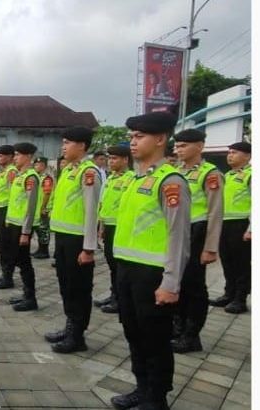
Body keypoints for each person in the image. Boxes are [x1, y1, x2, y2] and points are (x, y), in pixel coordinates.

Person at [110, 111, 190, 410]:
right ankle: (142, 388)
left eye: (139, 136)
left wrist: (171, 283)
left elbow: (179, 236)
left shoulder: (170, 181)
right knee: (133, 333)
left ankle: (157, 397)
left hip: (154, 274)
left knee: (155, 338)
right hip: (128, 270)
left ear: (160, 139)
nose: (132, 142)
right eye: (131, 136)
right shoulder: (134, 179)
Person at [44, 127, 101, 354]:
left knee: (78, 288)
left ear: (82, 146)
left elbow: (91, 211)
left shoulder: (89, 172)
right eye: (63, 142)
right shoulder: (69, 171)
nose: (63, 146)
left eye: (68, 142)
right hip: (63, 238)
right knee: (66, 285)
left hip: (79, 241)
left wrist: (88, 248)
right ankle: (69, 327)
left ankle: (77, 335)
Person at [169, 129, 224, 352]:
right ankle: (178, 327)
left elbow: (216, 212)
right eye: (177, 146)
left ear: (199, 146)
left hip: (197, 232)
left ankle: (192, 335)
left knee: (194, 286)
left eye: (184, 146)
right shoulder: (176, 172)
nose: (178, 149)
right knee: (178, 282)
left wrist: (210, 248)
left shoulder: (210, 173)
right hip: (178, 232)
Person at [210, 141, 252, 314]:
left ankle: (240, 299)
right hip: (224, 224)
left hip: (241, 224)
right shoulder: (228, 175)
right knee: (227, 261)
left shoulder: (251, 175)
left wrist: (251, 229)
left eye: (234, 152)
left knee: (241, 263)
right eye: (229, 152)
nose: (230, 155)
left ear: (248, 156)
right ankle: (229, 294)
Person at [94, 145, 135, 314]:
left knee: (120, 267)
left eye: (114, 158)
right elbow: (104, 204)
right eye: (109, 158)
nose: (111, 162)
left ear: (125, 160)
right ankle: (114, 294)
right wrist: (101, 226)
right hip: (109, 227)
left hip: (121, 228)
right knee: (112, 265)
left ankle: (120, 299)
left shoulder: (130, 178)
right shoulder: (110, 179)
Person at [3, 142, 41, 311]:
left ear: (28, 156)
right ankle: (26, 294)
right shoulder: (19, 176)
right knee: (18, 259)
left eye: (18, 155)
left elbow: (30, 207)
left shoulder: (30, 177)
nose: (15, 158)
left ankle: (30, 297)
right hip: (14, 224)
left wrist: (26, 232)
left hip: (22, 227)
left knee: (24, 262)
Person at [0, 145, 17, 287]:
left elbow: (13, 194)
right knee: (2, 244)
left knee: (6, 245)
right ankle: (4, 273)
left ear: (11, 156)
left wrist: (8, 216)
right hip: (0, 211)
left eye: (3, 155)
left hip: (6, 211)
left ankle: (8, 276)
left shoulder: (11, 172)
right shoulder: (3, 171)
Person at [31, 156, 54, 259]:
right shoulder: (38, 177)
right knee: (39, 229)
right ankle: (40, 249)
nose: (36, 166)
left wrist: (43, 207)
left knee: (44, 230)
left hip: (44, 207)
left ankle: (44, 251)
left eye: (39, 165)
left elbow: (47, 193)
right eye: (35, 164)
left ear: (44, 166)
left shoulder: (46, 178)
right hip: (37, 207)